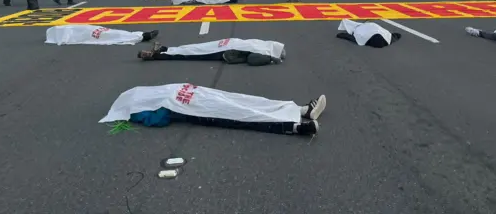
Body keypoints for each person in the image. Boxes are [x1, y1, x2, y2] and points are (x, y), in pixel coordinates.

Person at [100, 84, 326, 136]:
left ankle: (302, 110)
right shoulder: (138, 110)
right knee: (241, 116)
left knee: (249, 102)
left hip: (204, 96)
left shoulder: (149, 94)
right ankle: (296, 126)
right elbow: (159, 119)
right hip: (198, 110)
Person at [139, 38, 285, 66]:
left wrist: (270, 59)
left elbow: (251, 59)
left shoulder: (264, 48)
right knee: (194, 50)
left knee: (194, 52)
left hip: (227, 48)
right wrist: (272, 59)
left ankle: (159, 54)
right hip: (227, 46)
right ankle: (165, 50)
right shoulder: (264, 48)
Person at [336, 19, 401, 47]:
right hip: (381, 38)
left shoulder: (359, 28)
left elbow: (353, 38)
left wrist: (342, 35)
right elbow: (393, 35)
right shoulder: (370, 25)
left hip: (375, 38)